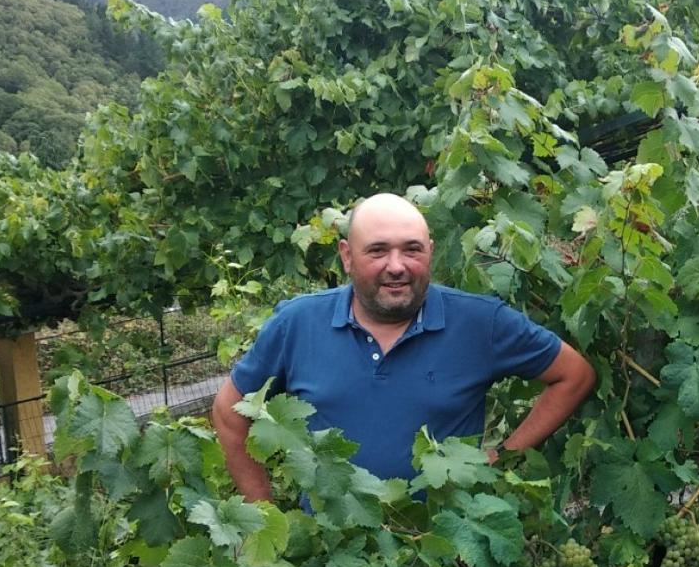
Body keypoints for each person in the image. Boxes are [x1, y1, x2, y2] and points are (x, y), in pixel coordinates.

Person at [212, 192, 596, 501]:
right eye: (377, 250)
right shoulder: (297, 324)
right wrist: (263, 514)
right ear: (347, 256)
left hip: (447, 559)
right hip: (331, 556)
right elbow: (230, 413)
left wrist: (504, 457)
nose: (396, 265)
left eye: (411, 249)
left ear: (430, 251)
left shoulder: (481, 323)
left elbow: (574, 375)